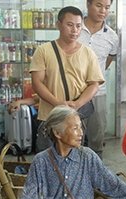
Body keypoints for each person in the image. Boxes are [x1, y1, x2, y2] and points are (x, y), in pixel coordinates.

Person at [30, 6, 104, 150]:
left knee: (74, 159)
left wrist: (77, 104)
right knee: (47, 159)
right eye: (69, 25)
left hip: (75, 119)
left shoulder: (88, 53)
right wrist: (57, 103)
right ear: (59, 25)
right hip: (50, 117)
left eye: (78, 26)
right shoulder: (44, 50)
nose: (74, 30)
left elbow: (94, 84)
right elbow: (37, 83)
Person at [78, 0, 119, 158]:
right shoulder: (76, 29)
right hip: (74, 92)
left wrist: (95, 75)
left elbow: (108, 60)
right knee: (73, 139)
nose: (103, 11)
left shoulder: (112, 37)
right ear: (88, 4)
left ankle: (95, 175)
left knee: (97, 138)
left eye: (107, 7)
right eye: (98, 5)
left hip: (98, 93)